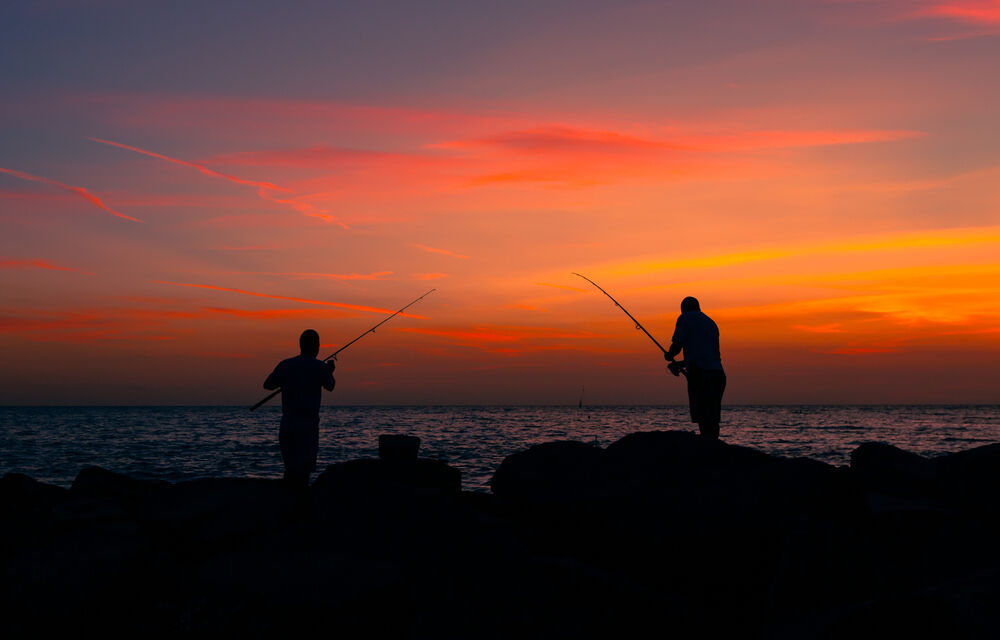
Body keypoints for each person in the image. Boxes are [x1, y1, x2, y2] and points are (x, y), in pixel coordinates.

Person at [263, 329, 336, 488]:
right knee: (304, 472)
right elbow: (330, 386)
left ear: (301, 345)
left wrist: (285, 382)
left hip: (288, 423)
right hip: (308, 426)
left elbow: (267, 385)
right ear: (315, 346)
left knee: (290, 469)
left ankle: (288, 504)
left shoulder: (286, 365)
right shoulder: (320, 367)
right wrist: (330, 372)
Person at [664, 297, 726, 439]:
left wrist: (669, 355)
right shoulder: (710, 323)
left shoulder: (684, 318)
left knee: (702, 416)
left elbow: (676, 346)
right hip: (718, 375)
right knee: (713, 416)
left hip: (700, 376)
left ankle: (706, 447)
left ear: (683, 309)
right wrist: (681, 364)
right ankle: (713, 445)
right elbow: (703, 356)